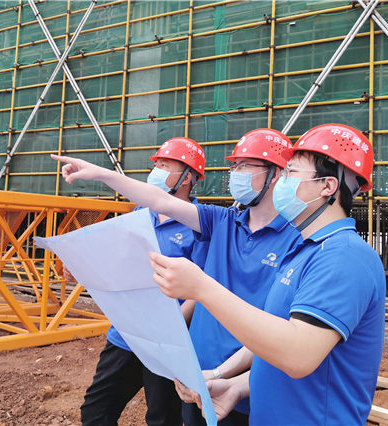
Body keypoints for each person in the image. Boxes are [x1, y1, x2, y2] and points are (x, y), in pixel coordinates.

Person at [54, 128, 302, 426]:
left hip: (238, 377)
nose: (236, 174)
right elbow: (159, 202)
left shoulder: (296, 240)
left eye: (245, 165)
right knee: (100, 410)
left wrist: (217, 369)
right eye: (235, 166)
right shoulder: (222, 221)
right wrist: (103, 175)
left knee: (163, 416)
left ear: (276, 174)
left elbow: (281, 330)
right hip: (192, 366)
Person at [150, 123, 386, 425]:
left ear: (327, 186)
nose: (282, 182)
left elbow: (298, 355)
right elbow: (273, 339)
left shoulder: (343, 257)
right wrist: (234, 384)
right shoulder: (305, 250)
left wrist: (202, 288)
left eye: (291, 173)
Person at [79, 137, 209, 426]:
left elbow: (202, 289)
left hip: (168, 342)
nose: (156, 171)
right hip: (126, 335)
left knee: (162, 418)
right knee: (95, 412)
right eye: (156, 165)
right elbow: (120, 263)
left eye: (165, 165)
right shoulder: (141, 214)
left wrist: (170, 324)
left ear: (188, 177)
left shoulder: (200, 226)